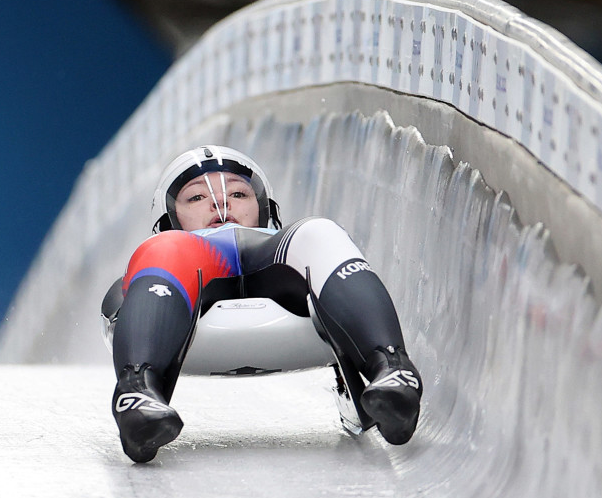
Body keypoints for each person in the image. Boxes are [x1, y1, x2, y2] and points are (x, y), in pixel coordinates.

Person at [102, 144, 423, 463]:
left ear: (264, 207)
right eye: (197, 197)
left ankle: (392, 370)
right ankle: (137, 390)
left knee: (319, 230)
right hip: (190, 267)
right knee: (162, 248)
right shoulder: (170, 242)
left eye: (239, 194)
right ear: (170, 215)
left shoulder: (281, 242)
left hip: (268, 262)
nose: (221, 203)